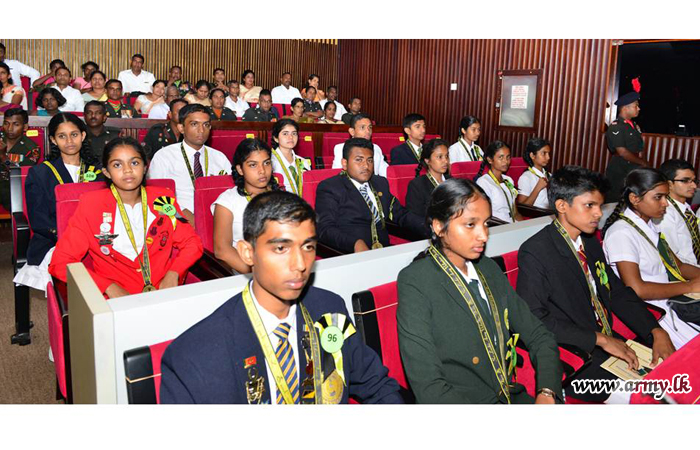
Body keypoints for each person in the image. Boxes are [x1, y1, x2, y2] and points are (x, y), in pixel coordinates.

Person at [160, 190, 402, 404]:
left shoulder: (329, 309)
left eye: (308, 247)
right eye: (280, 248)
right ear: (247, 252)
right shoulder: (194, 355)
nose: (300, 264)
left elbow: (378, 386)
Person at [397, 178, 563, 404]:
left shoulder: (488, 268)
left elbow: (539, 336)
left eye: (485, 223)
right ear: (438, 226)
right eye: (470, 224)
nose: (484, 235)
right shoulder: (416, 281)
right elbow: (430, 387)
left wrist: (546, 392)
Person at [517, 165, 675, 403]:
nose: (598, 214)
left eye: (600, 206)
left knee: (672, 379)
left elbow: (617, 293)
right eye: (589, 205)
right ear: (562, 206)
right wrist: (600, 340)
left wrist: (655, 330)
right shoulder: (536, 251)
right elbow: (534, 319)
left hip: (609, 344)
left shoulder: (588, 242)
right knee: (652, 398)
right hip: (577, 357)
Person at [49, 137, 203, 298]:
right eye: (117, 165)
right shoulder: (91, 204)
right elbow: (60, 262)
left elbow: (192, 243)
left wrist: (174, 273)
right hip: (116, 300)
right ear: (106, 172)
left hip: (162, 294)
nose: (127, 170)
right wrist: (107, 286)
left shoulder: (163, 199)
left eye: (134, 163)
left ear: (145, 167)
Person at [602, 168, 700, 348]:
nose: (666, 203)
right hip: (652, 311)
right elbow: (636, 289)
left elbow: (678, 266)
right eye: (658, 197)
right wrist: (690, 286)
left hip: (670, 299)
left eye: (666, 197)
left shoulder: (650, 226)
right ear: (634, 199)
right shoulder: (621, 233)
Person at [15, 113, 102, 291]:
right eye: (62, 136)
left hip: (98, 237)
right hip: (56, 238)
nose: (69, 140)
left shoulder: (99, 171)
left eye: (74, 134)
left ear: (83, 136)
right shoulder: (40, 173)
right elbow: (39, 220)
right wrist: (72, 238)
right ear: (53, 140)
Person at [317, 138, 425, 253]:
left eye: (370, 160)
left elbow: (401, 214)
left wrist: (430, 227)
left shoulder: (380, 183)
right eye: (359, 160)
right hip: (349, 254)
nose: (366, 166)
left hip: (383, 253)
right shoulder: (330, 187)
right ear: (344, 163)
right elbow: (325, 228)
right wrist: (354, 244)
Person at [148, 103, 231, 225]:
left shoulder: (219, 158)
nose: (201, 130)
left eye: (206, 125)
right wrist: (183, 218)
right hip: (178, 221)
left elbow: (231, 194)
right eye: (194, 124)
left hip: (216, 221)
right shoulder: (164, 157)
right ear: (181, 128)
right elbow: (158, 200)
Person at [212, 138, 280, 274]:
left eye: (266, 163)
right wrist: (257, 273)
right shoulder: (227, 201)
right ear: (240, 169)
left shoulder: (281, 196)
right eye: (253, 165)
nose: (262, 171)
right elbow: (222, 250)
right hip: (249, 269)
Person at [604, 91, 649, 203]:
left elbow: (637, 147)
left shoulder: (632, 125)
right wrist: (642, 163)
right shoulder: (616, 127)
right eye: (636, 106)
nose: (639, 109)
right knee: (616, 200)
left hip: (632, 165)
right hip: (620, 167)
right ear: (625, 108)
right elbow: (623, 152)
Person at [656, 159, 700, 266]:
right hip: (686, 273)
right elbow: (671, 259)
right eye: (685, 181)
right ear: (669, 184)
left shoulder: (686, 209)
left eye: (694, 181)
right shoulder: (665, 214)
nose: (694, 186)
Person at [0, 109, 40, 210]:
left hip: (13, 185)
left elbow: (21, 174)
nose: (9, 128)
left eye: (15, 124)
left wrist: (3, 157)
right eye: (6, 123)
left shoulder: (32, 149)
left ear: (25, 127)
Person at [474, 141, 523, 223]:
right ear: (490, 160)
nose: (506, 161)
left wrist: (524, 226)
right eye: (501, 157)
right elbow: (484, 215)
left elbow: (515, 212)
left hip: (512, 223)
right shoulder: (483, 182)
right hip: (497, 225)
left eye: (508, 157)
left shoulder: (508, 180)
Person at [405, 138, 451, 219]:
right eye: (440, 157)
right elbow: (415, 219)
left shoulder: (452, 181)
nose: (446, 161)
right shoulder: (417, 185)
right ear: (427, 161)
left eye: (446, 156)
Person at [270, 119, 311, 196]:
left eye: (294, 133)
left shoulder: (303, 162)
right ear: (276, 138)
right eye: (285, 134)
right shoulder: (270, 162)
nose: (291, 137)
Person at [517, 137, 551, 209]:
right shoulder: (526, 177)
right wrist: (537, 188)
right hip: (536, 216)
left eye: (548, 153)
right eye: (544, 153)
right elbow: (522, 208)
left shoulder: (549, 175)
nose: (548, 157)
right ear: (532, 155)